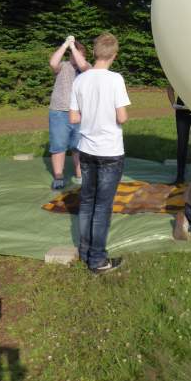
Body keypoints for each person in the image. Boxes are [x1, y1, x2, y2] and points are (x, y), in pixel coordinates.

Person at [69, 33, 131, 275]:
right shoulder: (115, 79)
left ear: (94, 53)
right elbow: (122, 117)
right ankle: (97, 260)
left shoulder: (80, 80)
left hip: (86, 149)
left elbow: (73, 117)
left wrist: (92, 117)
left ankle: (85, 251)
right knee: (102, 207)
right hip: (110, 151)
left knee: (86, 202)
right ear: (114, 55)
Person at [48, 36, 91, 190]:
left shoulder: (88, 67)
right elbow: (52, 63)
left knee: (78, 146)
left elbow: (84, 66)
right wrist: (66, 44)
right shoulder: (63, 66)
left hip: (80, 113)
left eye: (78, 53)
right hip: (59, 112)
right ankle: (58, 176)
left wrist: (74, 48)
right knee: (58, 146)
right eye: (72, 53)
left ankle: (80, 176)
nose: (74, 56)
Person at [166, 86, 191, 183]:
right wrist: (173, 104)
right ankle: (180, 177)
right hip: (182, 113)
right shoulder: (181, 74)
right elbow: (170, 87)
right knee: (182, 144)